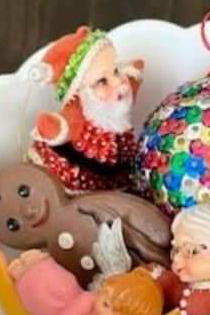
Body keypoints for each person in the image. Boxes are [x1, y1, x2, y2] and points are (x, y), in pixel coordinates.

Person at [25, 26, 144, 192]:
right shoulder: (79, 115)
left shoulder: (119, 97)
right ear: (80, 95)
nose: (118, 82)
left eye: (116, 70)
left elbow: (132, 81)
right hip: (77, 183)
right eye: (102, 81)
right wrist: (55, 130)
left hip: (116, 181)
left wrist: (134, 73)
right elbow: (63, 130)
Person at [8, 252, 162, 315]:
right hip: (57, 296)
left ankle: (25, 276)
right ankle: (30, 267)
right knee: (44, 282)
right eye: (105, 304)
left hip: (48, 311)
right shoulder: (88, 301)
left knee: (36, 296)